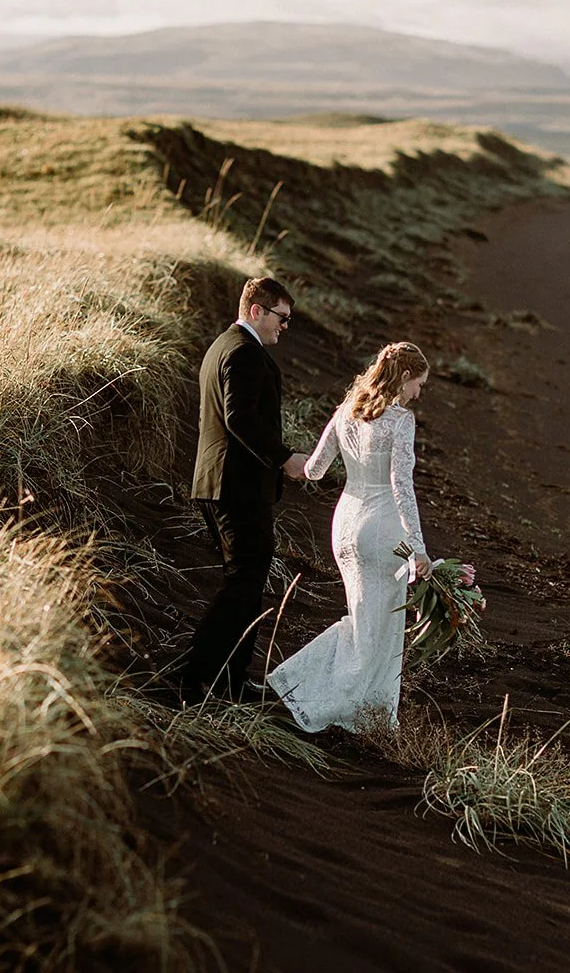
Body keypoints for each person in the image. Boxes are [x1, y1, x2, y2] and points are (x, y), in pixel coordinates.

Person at [266, 342, 432, 732]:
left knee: (362, 620)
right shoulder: (400, 421)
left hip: (344, 527)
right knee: (379, 628)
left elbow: (315, 470)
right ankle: (336, 705)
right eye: (418, 385)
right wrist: (419, 549)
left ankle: (353, 707)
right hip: (381, 530)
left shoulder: (346, 412)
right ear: (405, 377)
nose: (418, 394)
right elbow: (402, 488)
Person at [179, 276, 307, 702]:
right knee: (243, 582)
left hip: (223, 483)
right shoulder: (243, 353)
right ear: (257, 310)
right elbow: (240, 419)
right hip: (235, 486)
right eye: (281, 318)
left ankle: (230, 680)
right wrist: (285, 457)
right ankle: (193, 677)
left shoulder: (223, 345)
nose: (284, 328)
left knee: (245, 582)